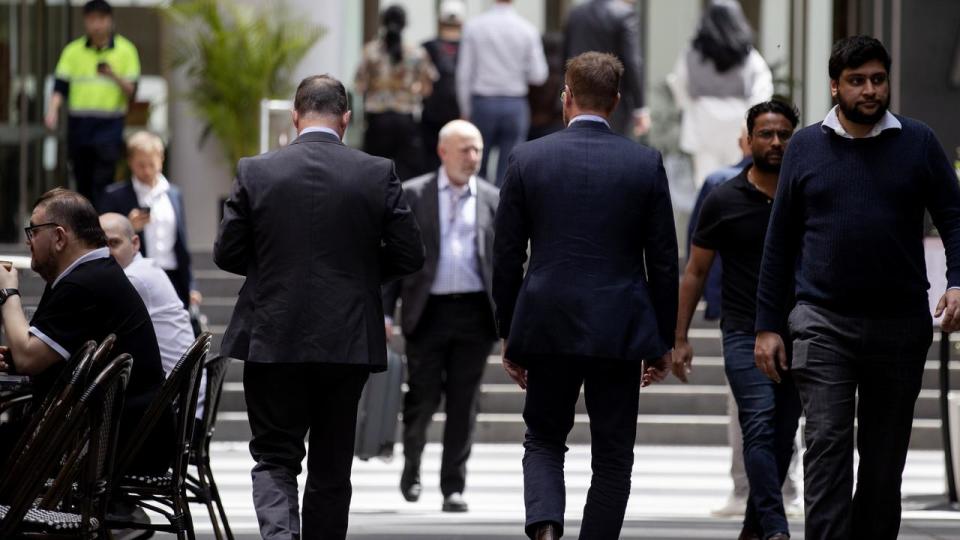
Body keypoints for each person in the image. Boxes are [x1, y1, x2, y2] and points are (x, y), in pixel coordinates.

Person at [755, 36, 960, 539]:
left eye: (877, 79)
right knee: (825, 447)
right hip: (823, 321)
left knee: (884, 465)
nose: (869, 90)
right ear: (835, 86)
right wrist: (766, 326)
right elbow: (779, 242)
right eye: (856, 81)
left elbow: (955, 218)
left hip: (900, 325)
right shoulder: (804, 146)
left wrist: (958, 283)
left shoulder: (918, 142)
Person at [214, 74, 424, 540]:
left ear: (294, 114)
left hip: (271, 334)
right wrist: (360, 275)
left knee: (274, 454)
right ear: (346, 118)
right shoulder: (376, 171)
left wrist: (274, 268)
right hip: (345, 338)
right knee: (332, 463)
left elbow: (226, 253)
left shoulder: (255, 170)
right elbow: (411, 254)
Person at [493, 52, 678, 540]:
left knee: (545, 439)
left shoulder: (528, 158)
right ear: (616, 102)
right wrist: (661, 339)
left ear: (566, 97)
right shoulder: (644, 163)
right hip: (619, 327)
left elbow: (507, 257)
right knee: (613, 456)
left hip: (547, 321)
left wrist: (509, 332)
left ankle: (547, 529)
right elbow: (663, 260)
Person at [674, 100, 801, 540]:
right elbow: (695, 271)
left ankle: (753, 526)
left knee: (784, 434)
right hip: (742, 330)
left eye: (784, 133)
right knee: (760, 424)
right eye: (766, 133)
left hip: (800, 330)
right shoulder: (723, 198)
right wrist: (680, 337)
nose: (775, 142)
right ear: (748, 139)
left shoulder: (805, 196)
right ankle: (775, 528)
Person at [0, 188, 174, 476]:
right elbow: (33, 356)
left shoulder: (84, 283)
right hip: (117, 436)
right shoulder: (92, 274)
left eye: (33, 231)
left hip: (110, 444)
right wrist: (21, 355)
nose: (28, 241)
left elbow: (30, 358)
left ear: (58, 237)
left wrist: (7, 292)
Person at [382, 120, 498, 513]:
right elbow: (393, 259)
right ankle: (412, 463)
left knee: (465, 404)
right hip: (426, 311)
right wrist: (385, 312)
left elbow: (505, 262)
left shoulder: (492, 199)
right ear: (442, 151)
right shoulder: (414, 194)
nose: (473, 158)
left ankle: (453, 485)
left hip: (475, 313)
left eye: (478, 149)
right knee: (423, 398)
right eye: (465, 149)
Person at [99, 212, 204, 421]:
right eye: (101, 245)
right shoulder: (145, 268)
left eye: (114, 243)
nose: (107, 252)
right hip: (184, 402)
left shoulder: (134, 278)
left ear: (135, 243)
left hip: (173, 411)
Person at [666, 0, 772, 189]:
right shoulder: (747, 54)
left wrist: (689, 106)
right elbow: (763, 86)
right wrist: (752, 117)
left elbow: (678, 84)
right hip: (739, 123)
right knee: (738, 179)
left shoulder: (691, 53)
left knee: (706, 182)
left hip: (703, 122)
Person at [45, 0, 140, 206]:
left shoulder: (126, 50)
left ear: (110, 20)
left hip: (109, 127)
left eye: (101, 19)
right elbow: (60, 86)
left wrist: (113, 75)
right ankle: (85, 230)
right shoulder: (72, 51)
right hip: (79, 126)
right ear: (85, 22)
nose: (96, 24)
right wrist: (52, 111)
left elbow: (132, 91)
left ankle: (101, 228)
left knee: (103, 182)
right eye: (91, 19)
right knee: (82, 181)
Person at [98, 131, 199, 309]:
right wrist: (128, 226)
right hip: (135, 276)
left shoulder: (174, 194)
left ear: (161, 159)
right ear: (130, 163)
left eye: (151, 164)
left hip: (172, 275)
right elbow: (101, 239)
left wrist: (190, 285)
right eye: (140, 165)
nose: (146, 171)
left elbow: (182, 243)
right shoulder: (115, 196)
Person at [456, 0, 548, 186]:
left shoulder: (474, 27)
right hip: (514, 103)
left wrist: (465, 109)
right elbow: (539, 75)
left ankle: (478, 210)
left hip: (483, 102)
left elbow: (464, 74)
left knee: (475, 164)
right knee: (509, 168)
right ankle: (502, 211)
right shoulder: (527, 29)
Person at [354, 4, 438, 180]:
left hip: (377, 120)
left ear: (382, 23)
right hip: (406, 120)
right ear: (405, 24)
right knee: (407, 175)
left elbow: (359, 87)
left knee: (374, 171)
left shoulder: (370, 51)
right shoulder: (416, 53)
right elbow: (427, 88)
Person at [563, 0, 649, 137]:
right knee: (613, 152)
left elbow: (565, 56)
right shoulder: (625, 14)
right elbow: (633, 62)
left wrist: (565, 95)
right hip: (610, 101)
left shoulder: (575, 13)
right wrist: (640, 108)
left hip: (576, 97)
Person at [420, 1, 466, 173]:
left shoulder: (427, 47)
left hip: (433, 113)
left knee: (432, 160)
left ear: (439, 20)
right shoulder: (469, 46)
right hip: (461, 112)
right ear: (462, 22)